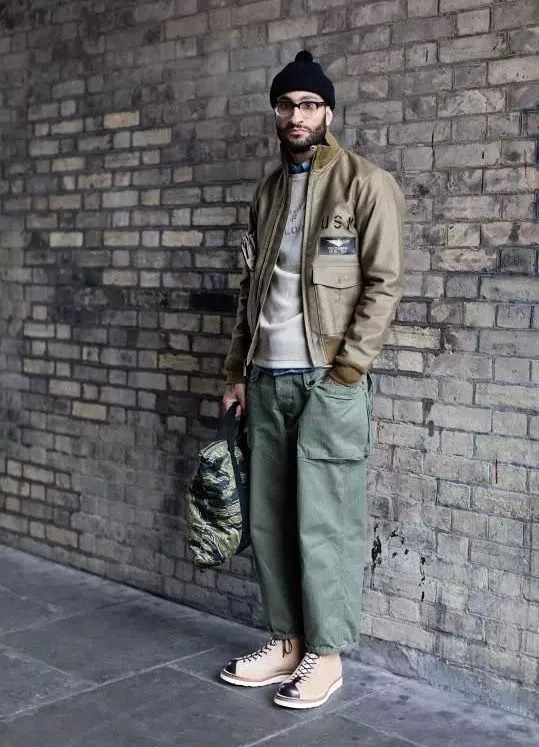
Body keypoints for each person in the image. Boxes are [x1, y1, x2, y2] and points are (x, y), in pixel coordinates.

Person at [219, 50, 405, 710]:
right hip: (266, 379)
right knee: (269, 521)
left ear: (327, 111)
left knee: (324, 523)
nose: (296, 115)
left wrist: (348, 369)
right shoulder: (268, 193)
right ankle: (287, 640)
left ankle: (326, 657)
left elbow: (384, 283)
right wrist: (236, 372)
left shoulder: (365, 184)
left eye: (308, 104)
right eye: (286, 104)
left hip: (327, 381)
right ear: (275, 113)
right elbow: (252, 292)